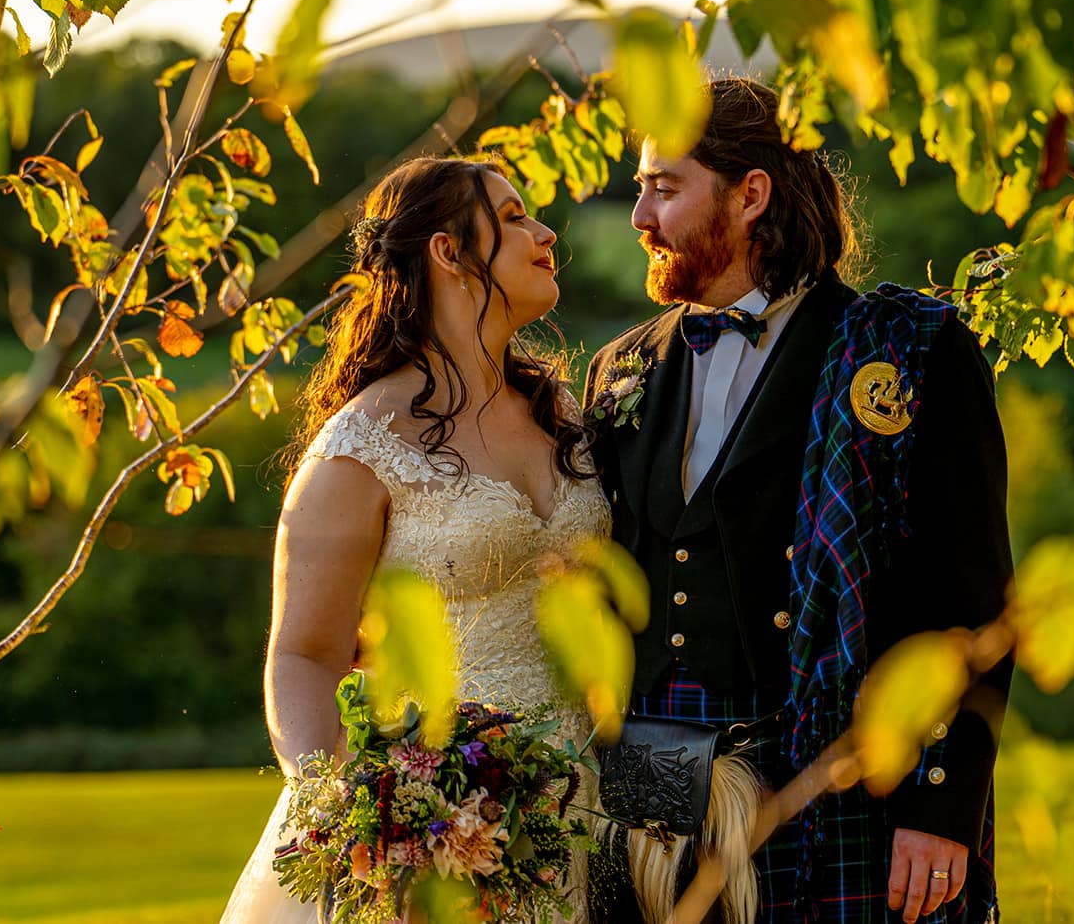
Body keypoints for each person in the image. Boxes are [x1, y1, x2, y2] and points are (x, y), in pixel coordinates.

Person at [585, 77, 1013, 924]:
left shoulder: (910, 353)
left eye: (665, 188)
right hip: (654, 790)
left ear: (751, 195)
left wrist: (942, 805)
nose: (639, 217)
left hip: (843, 781)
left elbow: (976, 599)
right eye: (639, 188)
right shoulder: (621, 368)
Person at [221, 156, 611, 922]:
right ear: (447, 251)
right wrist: (367, 821)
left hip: (582, 813)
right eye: (512, 216)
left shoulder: (563, 411)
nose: (544, 230)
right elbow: (302, 656)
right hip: (441, 837)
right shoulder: (361, 445)